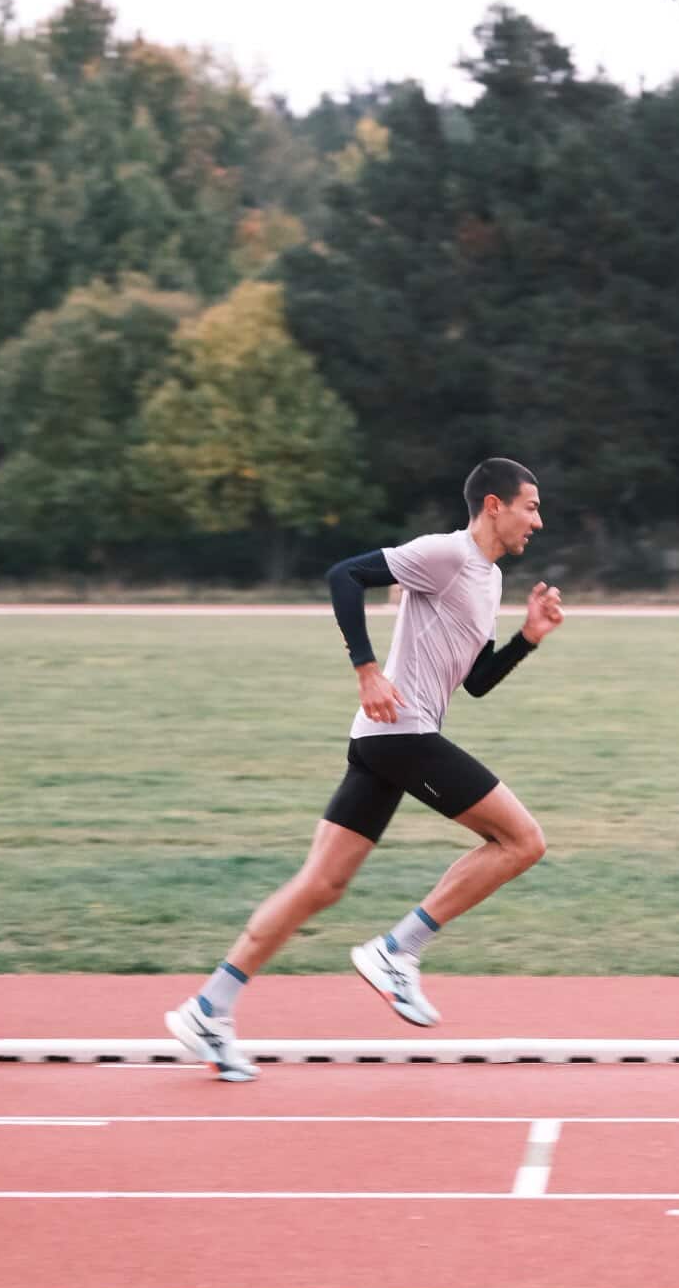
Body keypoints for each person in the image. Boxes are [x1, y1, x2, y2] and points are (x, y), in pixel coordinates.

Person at [166, 457, 564, 1079]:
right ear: (494, 505)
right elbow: (345, 575)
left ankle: (208, 1008)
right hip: (401, 734)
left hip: (386, 740)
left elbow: (477, 683)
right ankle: (397, 949)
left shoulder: (487, 580)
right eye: (531, 506)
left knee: (319, 886)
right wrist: (366, 669)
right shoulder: (446, 554)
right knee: (522, 840)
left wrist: (529, 638)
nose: (538, 520)